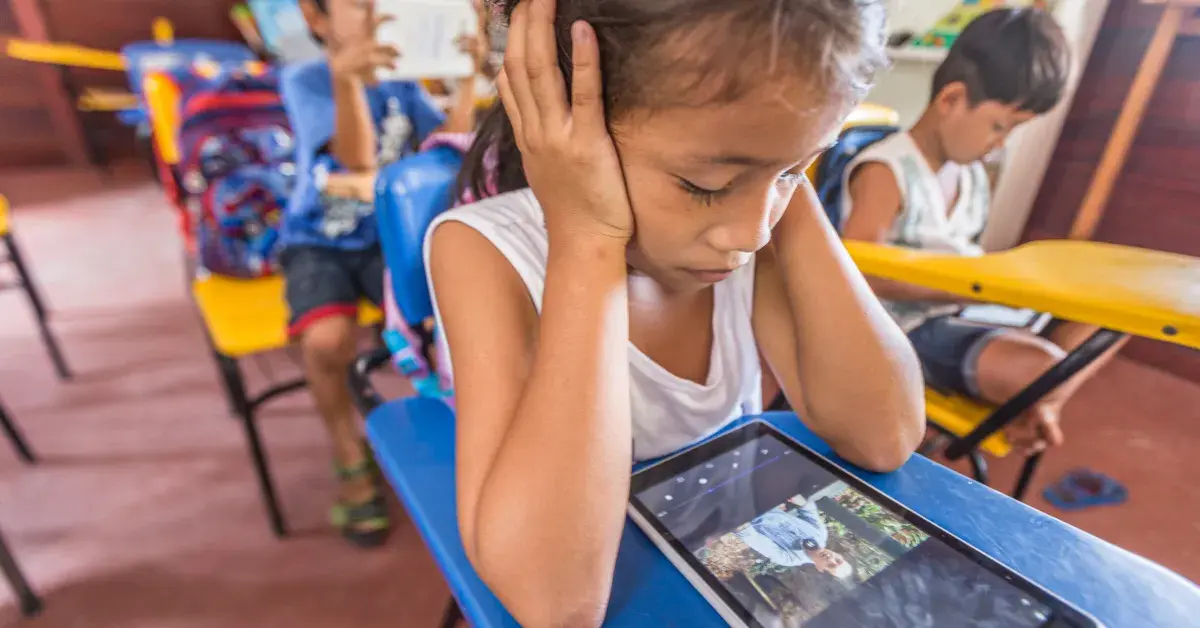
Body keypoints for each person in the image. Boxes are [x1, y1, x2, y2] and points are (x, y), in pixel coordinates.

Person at [426, 0, 926, 624]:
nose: (751, 234)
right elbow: (554, 604)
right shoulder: (481, 250)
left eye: (796, 171)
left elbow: (884, 435)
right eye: (706, 186)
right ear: (565, 129)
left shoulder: (760, 221)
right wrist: (586, 238)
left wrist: (784, 172)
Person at [841, 8, 1124, 457]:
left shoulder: (970, 175)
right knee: (1051, 371)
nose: (1001, 143)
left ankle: (1031, 400)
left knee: (1113, 319)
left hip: (965, 313)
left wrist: (997, 288)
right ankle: (1036, 402)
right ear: (951, 99)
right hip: (909, 327)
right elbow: (857, 274)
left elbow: (967, 253)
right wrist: (974, 289)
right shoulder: (887, 169)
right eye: (999, 126)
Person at [281, 0, 487, 547]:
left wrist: (468, 79)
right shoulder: (305, 80)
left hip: (380, 240)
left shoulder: (400, 84)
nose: (376, 11)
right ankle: (347, 451)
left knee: (446, 317)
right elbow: (354, 161)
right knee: (327, 340)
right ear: (316, 17)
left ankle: (461, 435)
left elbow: (442, 149)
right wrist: (348, 82)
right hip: (318, 241)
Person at [737, 501, 854, 579]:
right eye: (838, 560)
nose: (831, 559)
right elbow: (808, 508)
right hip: (766, 501)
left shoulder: (788, 559)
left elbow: (751, 536)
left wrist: (738, 517)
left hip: (745, 515)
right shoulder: (820, 533)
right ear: (838, 554)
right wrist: (798, 499)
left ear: (820, 568)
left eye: (831, 565)